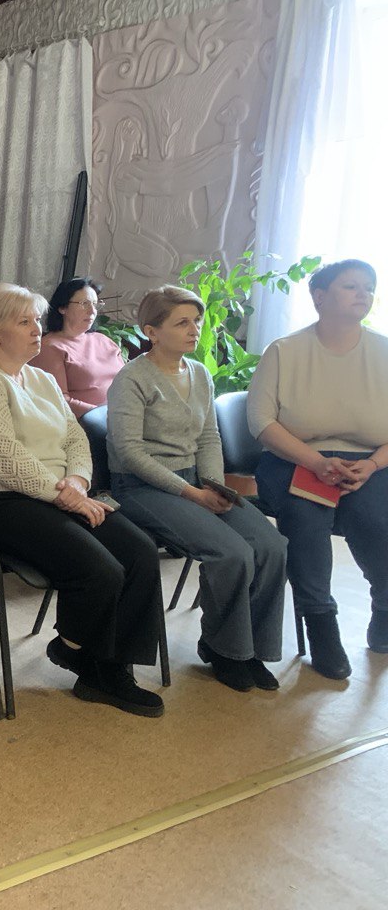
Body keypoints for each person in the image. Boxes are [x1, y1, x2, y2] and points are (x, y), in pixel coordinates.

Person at [0, 283, 165, 717]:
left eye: (36, 320)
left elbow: (74, 438)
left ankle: (107, 665)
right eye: (23, 322)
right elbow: (3, 459)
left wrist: (78, 481)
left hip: (57, 491)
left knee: (141, 552)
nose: (36, 330)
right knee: (100, 570)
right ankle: (83, 656)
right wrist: (64, 495)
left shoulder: (41, 379)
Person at [108, 286, 287, 692]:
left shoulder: (200, 373)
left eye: (197, 322)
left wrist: (214, 487)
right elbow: (130, 454)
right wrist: (192, 495)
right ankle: (225, 649)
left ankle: (253, 649)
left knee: (272, 546)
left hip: (195, 480)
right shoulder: (132, 379)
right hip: (141, 487)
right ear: (152, 332)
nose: (194, 330)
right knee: (232, 553)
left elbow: (208, 438)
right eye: (182, 323)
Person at [247, 258, 388, 678]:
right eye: (351, 286)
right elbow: (261, 422)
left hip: (370, 463)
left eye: (369, 286)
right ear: (320, 297)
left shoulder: (384, 351)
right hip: (295, 458)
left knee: (374, 518)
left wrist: (372, 464)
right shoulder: (284, 351)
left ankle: (384, 605)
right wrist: (315, 461)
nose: (363, 293)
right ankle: (321, 623)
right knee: (305, 519)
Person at [31, 278, 126, 418]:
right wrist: (105, 416)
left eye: (95, 304)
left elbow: (128, 382)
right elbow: (59, 400)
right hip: (89, 421)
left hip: (125, 414)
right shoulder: (49, 347)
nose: (92, 311)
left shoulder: (103, 340)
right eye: (84, 303)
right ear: (62, 308)